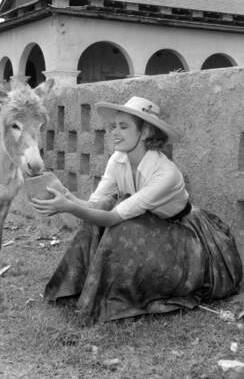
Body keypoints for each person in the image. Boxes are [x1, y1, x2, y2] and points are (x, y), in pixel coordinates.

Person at [31, 96, 242, 322]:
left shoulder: (165, 173)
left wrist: (69, 207)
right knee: (106, 208)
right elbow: (95, 206)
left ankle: (114, 298)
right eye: (113, 126)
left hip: (187, 237)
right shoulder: (117, 159)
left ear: (146, 132)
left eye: (123, 127)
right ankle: (78, 285)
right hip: (150, 227)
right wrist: (67, 197)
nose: (114, 132)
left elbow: (112, 218)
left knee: (122, 227)